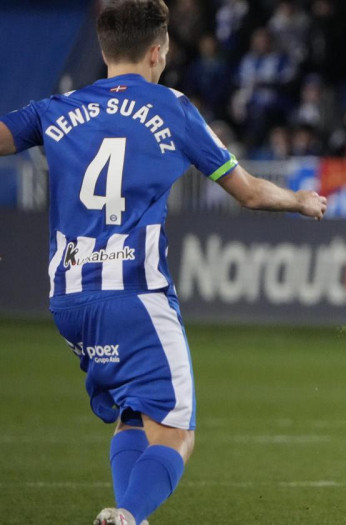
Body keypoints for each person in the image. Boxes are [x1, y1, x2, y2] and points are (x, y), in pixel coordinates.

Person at [0, 1, 327, 524]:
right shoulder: (173, 108)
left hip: (69, 302)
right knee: (176, 433)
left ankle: (132, 517)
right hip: (134, 296)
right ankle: (128, 516)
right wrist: (300, 200)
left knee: (133, 418)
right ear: (159, 50)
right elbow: (247, 193)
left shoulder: (56, 109)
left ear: (106, 52)